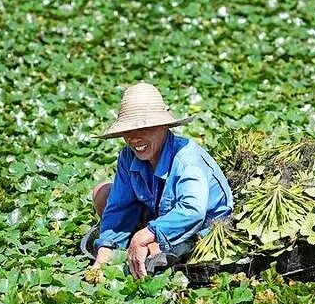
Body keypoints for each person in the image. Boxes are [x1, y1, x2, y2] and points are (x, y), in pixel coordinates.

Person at [91, 82, 234, 279]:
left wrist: (144, 236)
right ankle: (135, 243)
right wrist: (104, 253)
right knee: (102, 193)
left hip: (202, 227)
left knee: (153, 254)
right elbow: (119, 207)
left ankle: (153, 247)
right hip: (159, 213)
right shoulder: (128, 156)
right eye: (128, 131)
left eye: (144, 128)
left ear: (164, 126)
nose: (134, 139)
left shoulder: (187, 159)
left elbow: (193, 211)